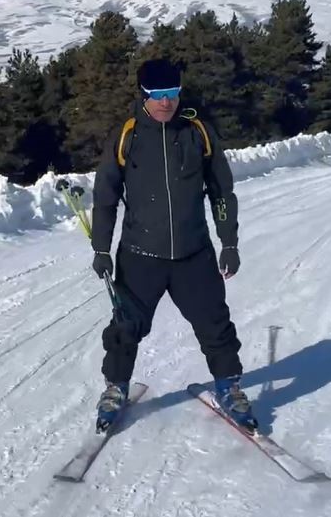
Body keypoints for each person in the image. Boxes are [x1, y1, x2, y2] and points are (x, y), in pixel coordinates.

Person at [89, 57, 257, 433]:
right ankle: (115, 388)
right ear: (144, 95)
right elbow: (105, 196)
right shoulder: (127, 135)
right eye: (158, 95)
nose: (167, 102)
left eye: (173, 93)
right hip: (139, 256)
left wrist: (228, 242)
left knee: (215, 324)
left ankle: (229, 387)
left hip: (193, 253)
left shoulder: (198, 131)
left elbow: (221, 192)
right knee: (125, 328)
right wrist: (102, 248)